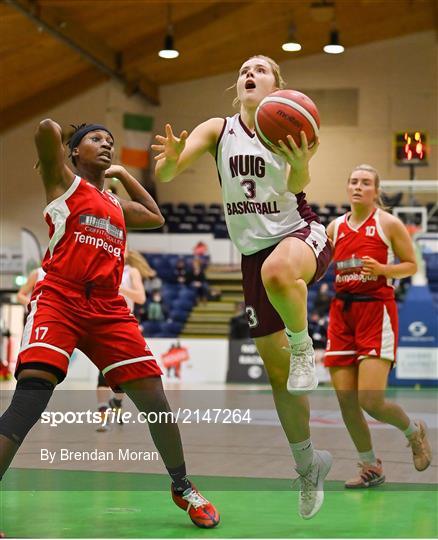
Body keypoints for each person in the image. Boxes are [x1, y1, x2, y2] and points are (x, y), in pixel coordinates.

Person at [0, 120, 219, 529]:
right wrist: (58, 141)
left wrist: (122, 175)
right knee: (31, 398)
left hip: (107, 307)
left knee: (156, 401)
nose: (106, 145)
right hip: (61, 297)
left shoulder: (116, 204)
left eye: (110, 142)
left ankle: (182, 486)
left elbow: (155, 216)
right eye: (96, 140)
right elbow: (44, 131)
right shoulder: (63, 184)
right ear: (74, 152)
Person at [152, 55, 333, 519]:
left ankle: (303, 345)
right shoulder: (218, 130)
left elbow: (300, 184)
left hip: (300, 233)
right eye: (243, 71)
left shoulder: (291, 126)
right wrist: (172, 161)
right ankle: (309, 464)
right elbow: (166, 176)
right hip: (253, 255)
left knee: (279, 273)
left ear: (276, 84)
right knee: (280, 382)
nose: (249, 74)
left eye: (260, 69)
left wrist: (302, 164)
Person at [325, 163, 432, 488]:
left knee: (370, 401)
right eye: (354, 181)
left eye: (366, 182)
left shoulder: (388, 224)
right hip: (341, 314)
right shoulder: (334, 227)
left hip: (376, 312)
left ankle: (414, 432)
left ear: (376, 190)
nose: (358, 186)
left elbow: (412, 265)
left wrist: (384, 269)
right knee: (345, 400)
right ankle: (371, 466)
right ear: (347, 187)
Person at [96, 249, 147, 432]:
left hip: (124, 323)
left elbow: (140, 298)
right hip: (103, 321)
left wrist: (118, 287)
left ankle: (116, 402)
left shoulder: (131, 271)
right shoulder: (102, 268)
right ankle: (103, 417)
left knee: (122, 374)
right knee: (103, 372)